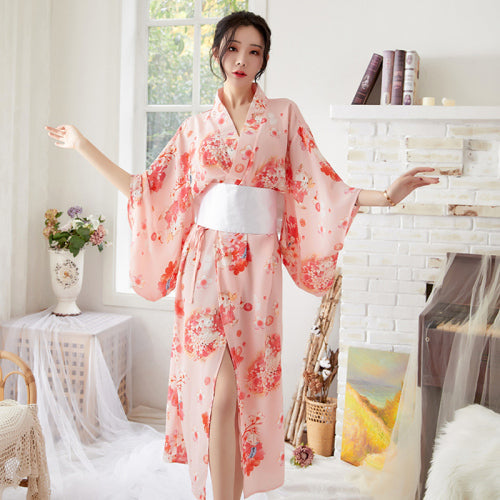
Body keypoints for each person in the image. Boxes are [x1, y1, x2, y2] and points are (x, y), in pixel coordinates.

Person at [45, 11, 438, 500]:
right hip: (204, 267)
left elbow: (320, 184)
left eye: (254, 52)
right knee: (220, 391)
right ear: (217, 53)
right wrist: (82, 145)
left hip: (257, 273)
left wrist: (386, 195)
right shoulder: (195, 129)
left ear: (264, 60)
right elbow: (144, 190)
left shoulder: (283, 116)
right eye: (233, 49)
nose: (242, 60)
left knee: (241, 398)